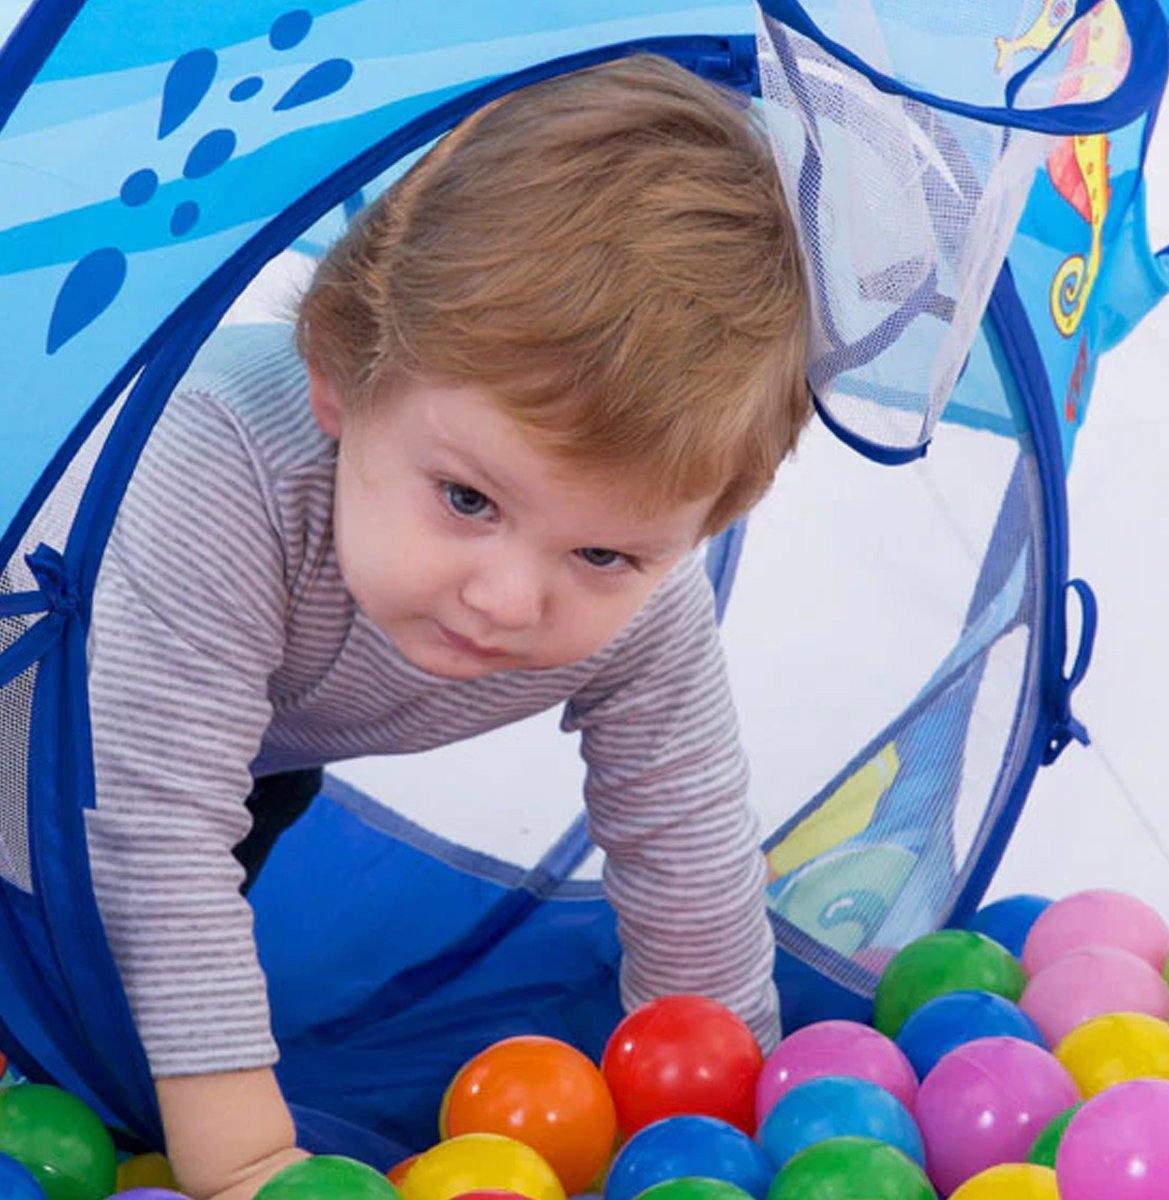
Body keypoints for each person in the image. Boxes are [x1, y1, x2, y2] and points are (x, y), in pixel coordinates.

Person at [84, 54, 811, 1199]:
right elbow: (154, 831)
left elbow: (686, 835)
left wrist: (716, 1128)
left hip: (238, 755)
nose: (509, 599)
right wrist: (249, 1164)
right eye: (468, 499)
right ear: (341, 379)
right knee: (92, 996)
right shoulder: (227, 465)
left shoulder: (646, 591)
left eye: (603, 555)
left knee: (123, 1026)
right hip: (44, 703)